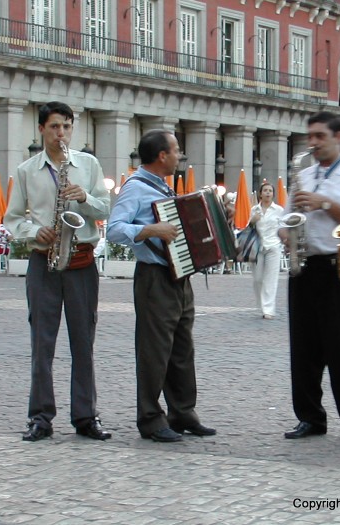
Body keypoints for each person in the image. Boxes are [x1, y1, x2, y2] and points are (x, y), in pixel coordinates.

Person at [4, 101, 112, 442]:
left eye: (66, 126)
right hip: (44, 260)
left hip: (81, 259)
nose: (61, 133)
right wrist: (34, 232)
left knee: (84, 342)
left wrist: (85, 199)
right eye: (54, 127)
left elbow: (105, 207)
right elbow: (12, 218)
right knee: (42, 342)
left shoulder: (88, 164)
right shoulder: (26, 171)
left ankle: (85, 415)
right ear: (41, 129)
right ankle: (40, 417)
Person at [107, 129, 216, 443]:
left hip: (179, 275)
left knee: (182, 349)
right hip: (154, 278)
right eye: (176, 150)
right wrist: (149, 229)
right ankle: (151, 419)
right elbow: (114, 230)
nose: (180, 155)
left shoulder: (164, 187)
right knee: (154, 352)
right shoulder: (136, 188)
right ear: (162, 156)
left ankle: (183, 412)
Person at [278, 111, 340, 444]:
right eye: (311, 137)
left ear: (339, 137)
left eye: (320, 136)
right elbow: (289, 217)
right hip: (304, 264)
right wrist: (284, 231)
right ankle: (309, 417)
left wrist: (325, 203)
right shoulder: (302, 175)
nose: (313, 143)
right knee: (303, 347)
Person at [250, 182, 284, 319]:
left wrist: (284, 242)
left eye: (270, 191)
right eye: (265, 190)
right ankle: (262, 304)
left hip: (273, 246)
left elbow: (283, 227)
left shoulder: (279, 210)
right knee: (258, 279)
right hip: (258, 247)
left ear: (273, 194)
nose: (268, 193)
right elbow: (249, 227)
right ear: (260, 193)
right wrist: (253, 220)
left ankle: (268, 309)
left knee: (270, 279)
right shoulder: (254, 209)